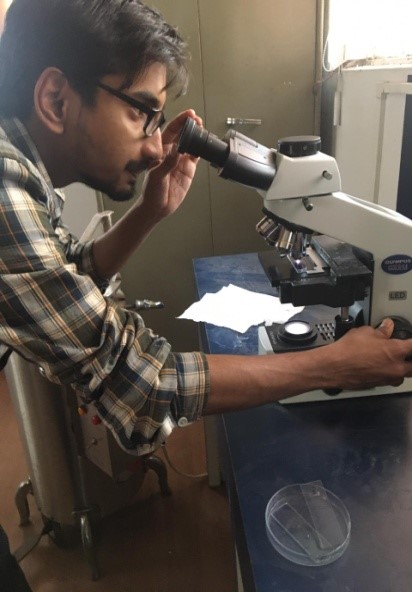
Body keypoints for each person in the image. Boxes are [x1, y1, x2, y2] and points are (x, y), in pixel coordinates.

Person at [1, 1, 412, 589]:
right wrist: (334, 364)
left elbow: (69, 275)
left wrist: (151, 211)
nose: (154, 148)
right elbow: (146, 386)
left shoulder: (20, 174)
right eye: (143, 113)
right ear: (55, 99)